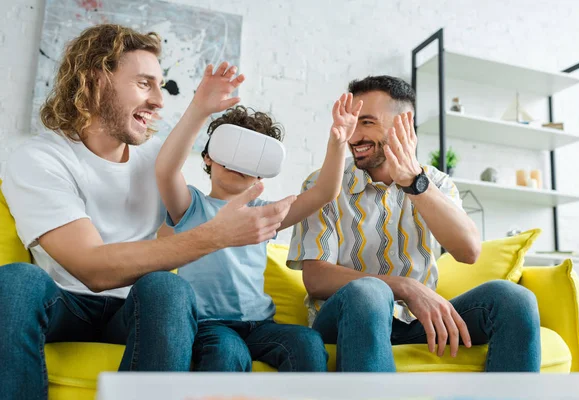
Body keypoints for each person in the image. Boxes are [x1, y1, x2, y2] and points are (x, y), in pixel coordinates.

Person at [0, 24, 295, 399]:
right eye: (144, 84)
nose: (158, 101)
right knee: (16, 281)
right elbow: (91, 269)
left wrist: (202, 108)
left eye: (159, 86)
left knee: (168, 288)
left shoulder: (155, 159)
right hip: (65, 302)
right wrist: (216, 235)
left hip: (137, 309)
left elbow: (178, 225)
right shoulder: (40, 158)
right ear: (95, 80)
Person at [287, 75, 541, 372]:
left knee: (514, 300)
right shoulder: (323, 183)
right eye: (352, 123)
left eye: (367, 123)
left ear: (401, 124)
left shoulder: (435, 182)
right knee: (369, 291)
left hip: (417, 321)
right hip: (349, 317)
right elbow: (315, 279)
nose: (354, 136)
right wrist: (406, 288)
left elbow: (468, 251)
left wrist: (415, 184)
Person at [154, 60, 363, 372]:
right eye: (231, 151)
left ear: (260, 174)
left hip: (262, 325)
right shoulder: (189, 206)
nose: (239, 163)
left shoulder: (265, 214)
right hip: (211, 325)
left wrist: (338, 141)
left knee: (307, 344)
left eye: (252, 159)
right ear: (209, 156)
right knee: (227, 352)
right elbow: (166, 169)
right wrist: (199, 109)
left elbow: (324, 193)